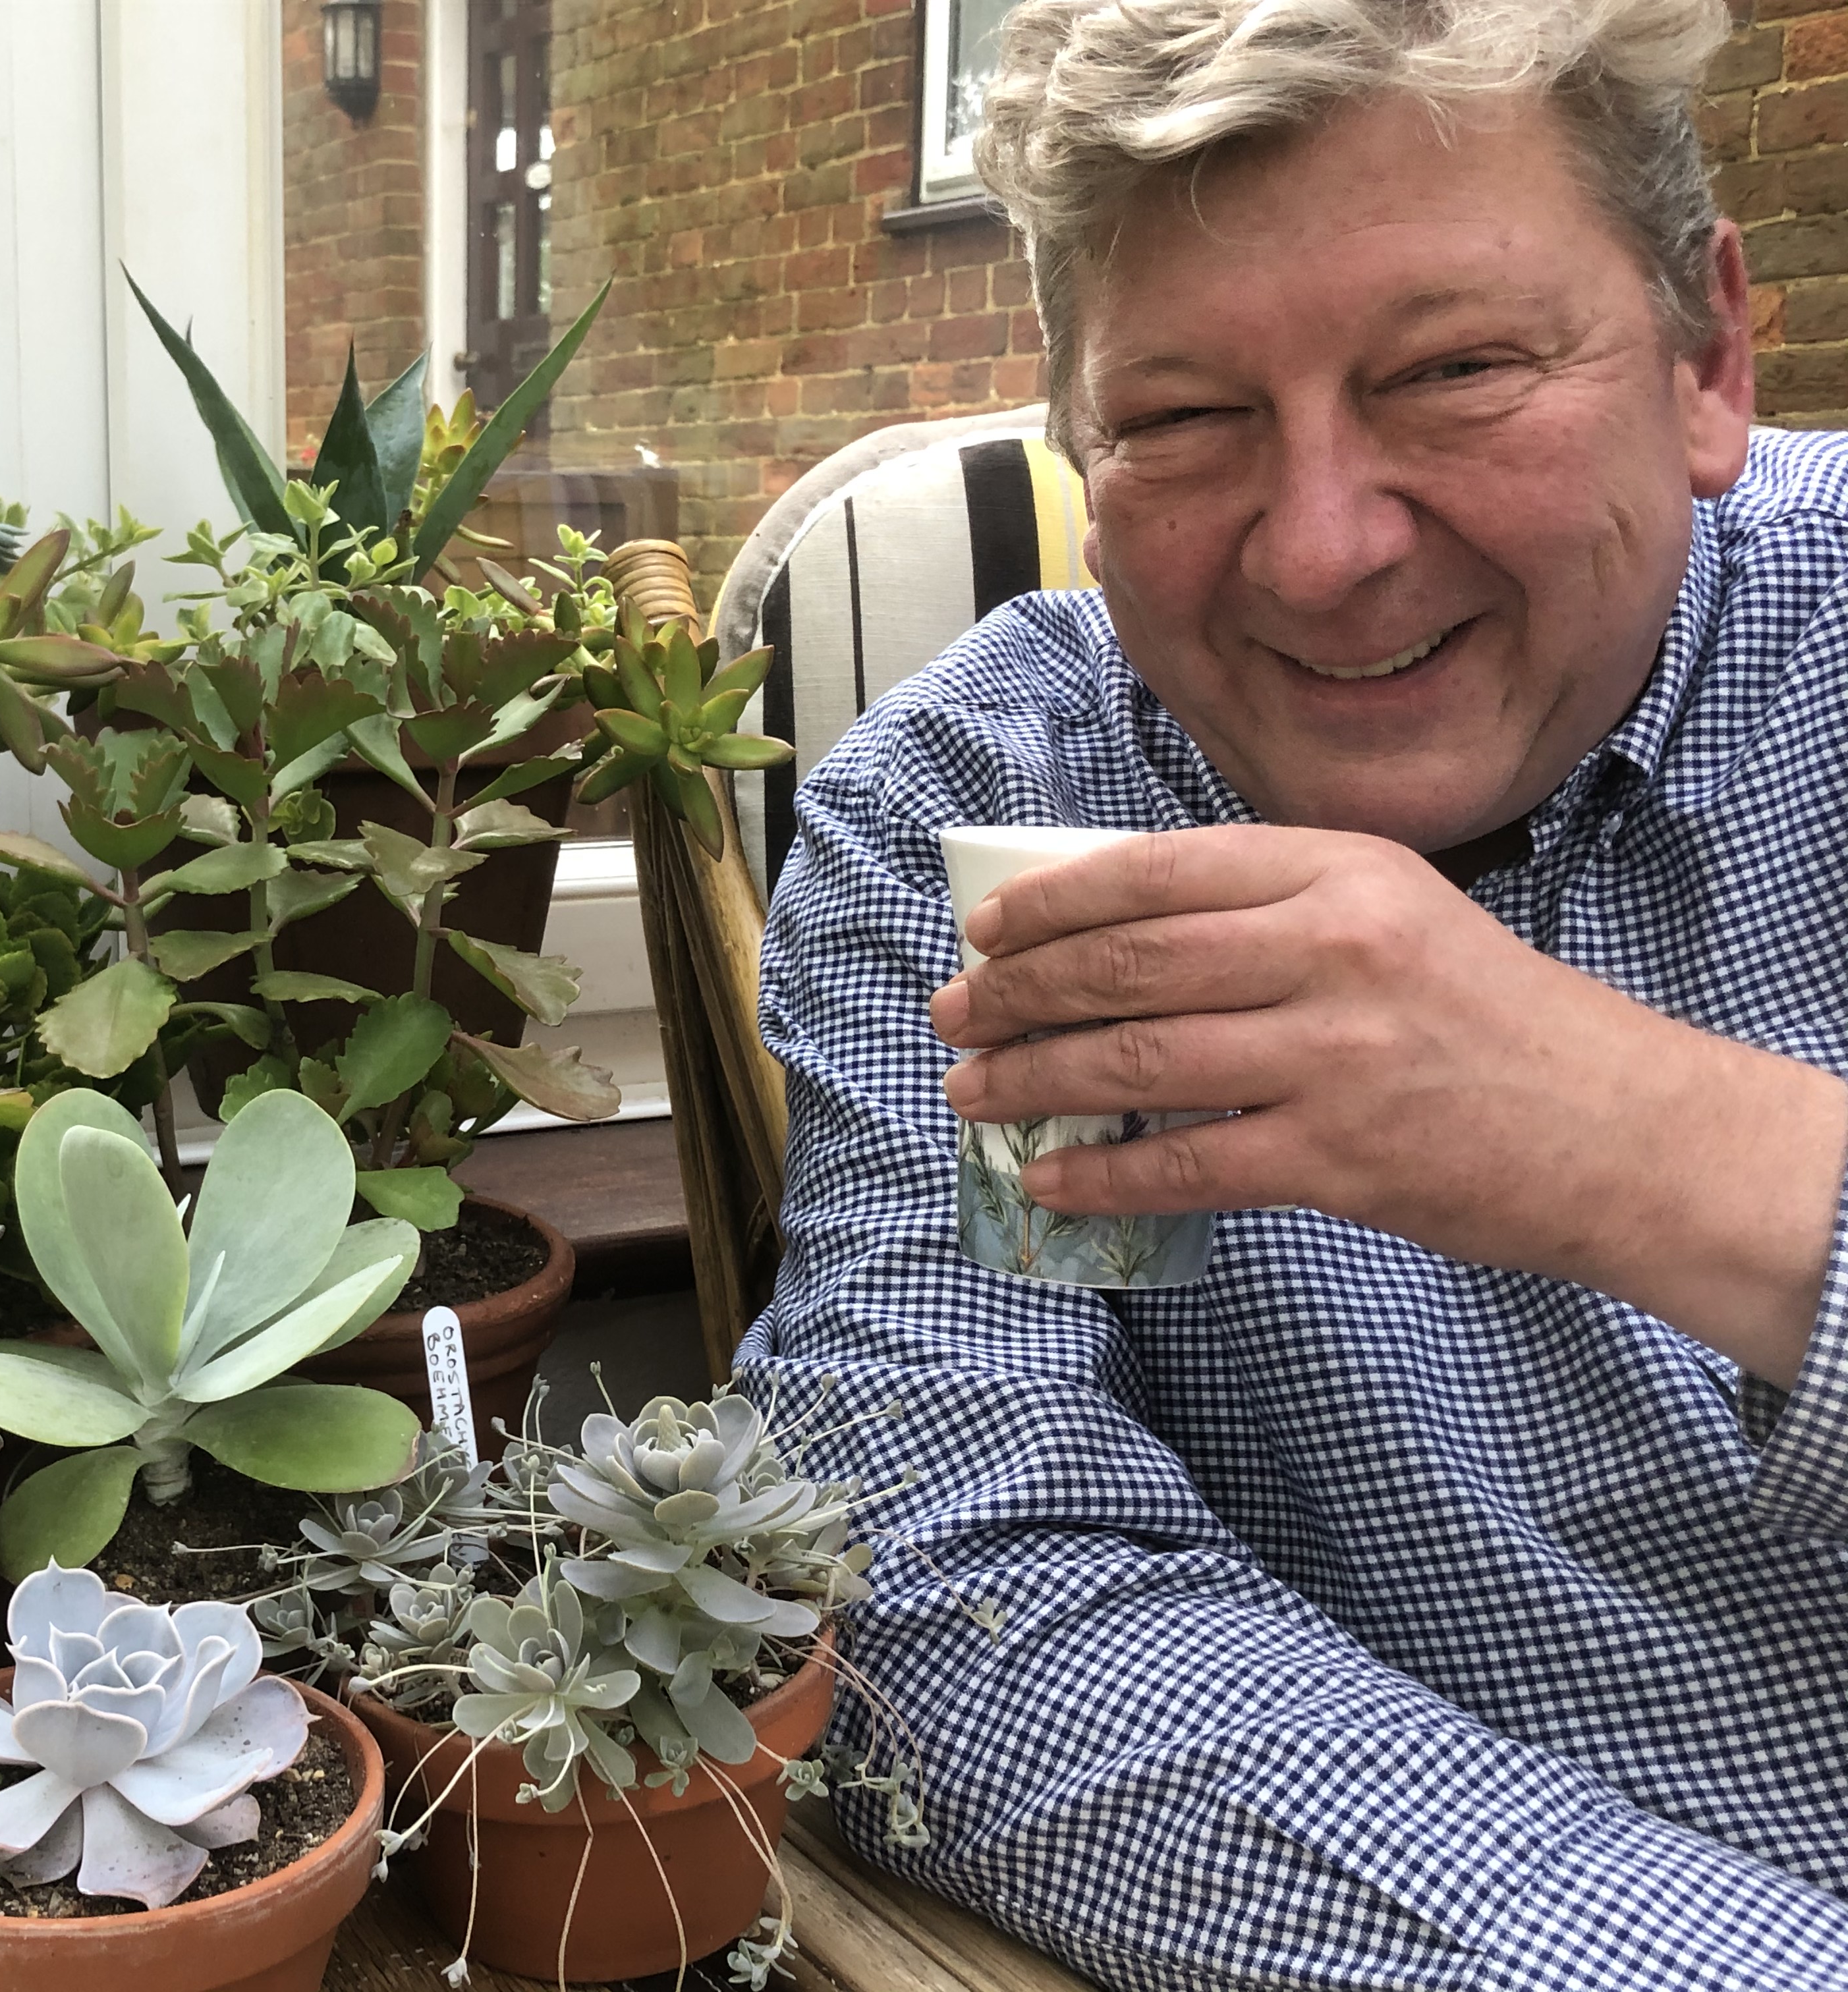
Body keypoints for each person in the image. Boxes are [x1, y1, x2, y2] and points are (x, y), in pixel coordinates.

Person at [735, 1, 1848, 1983]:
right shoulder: (1002, 839)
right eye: (1178, 421)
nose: (1325, 553)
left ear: (1708, 356)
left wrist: (1652, 1147)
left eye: (1455, 372)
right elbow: (964, 1569)